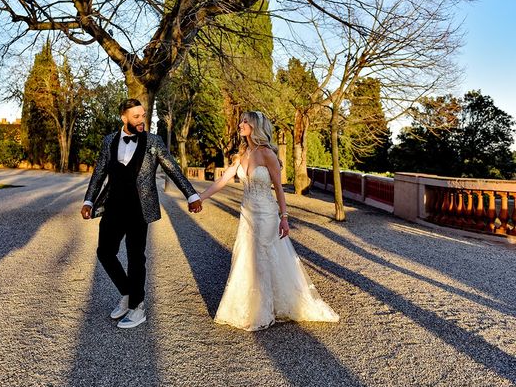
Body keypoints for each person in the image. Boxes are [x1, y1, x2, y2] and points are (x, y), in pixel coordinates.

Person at [199, 111, 339, 331]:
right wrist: (199, 198)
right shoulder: (241, 154)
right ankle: (245, 306)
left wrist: (284, 218)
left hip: (266, 214)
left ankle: (260, 312)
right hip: (247, 215)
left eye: (245, 121)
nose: (240, 124)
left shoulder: (267, 154)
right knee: (245, 257)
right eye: (241, 120)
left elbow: (279, 189)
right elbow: (223, 180)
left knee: (261, 259)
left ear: (255, 126)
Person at [81, 99, 202, 329]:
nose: (141, 120)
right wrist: (88, 200)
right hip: (113, 206)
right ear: (123, 117)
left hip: (139, 208)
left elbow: (172, 168)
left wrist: (192, 195)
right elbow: (99, 173)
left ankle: (138, 308)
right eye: (136, 116)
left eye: (143, 115)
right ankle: (128, 293)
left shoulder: (153, 141)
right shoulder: (109, 141)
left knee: (136, 258)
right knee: (105, 252)